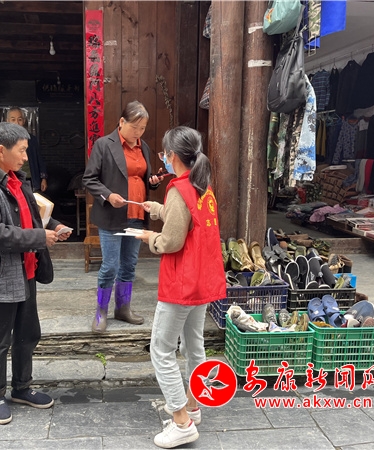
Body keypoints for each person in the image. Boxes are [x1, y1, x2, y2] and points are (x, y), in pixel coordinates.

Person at [0, 122, 72, 425]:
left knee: (27, 334)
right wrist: (39, 238)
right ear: (1, 151)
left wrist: (53, 226)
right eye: (22, 151)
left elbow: (33, 215)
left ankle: (22, 387)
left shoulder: (17, 179)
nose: (26, 157)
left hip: (26, 271)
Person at [136, 126, 226, 449]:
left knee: (161, 350)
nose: (163, 157)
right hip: (203, 281)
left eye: (164, 153)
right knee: (194, 346)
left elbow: (172, 240)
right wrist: (157, 208)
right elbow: (186, 219)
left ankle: (181, 422)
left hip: (182, 283)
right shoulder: (202, 186)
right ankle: (193, 404)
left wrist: (150, 238)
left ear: (172, 156)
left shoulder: (178, 189)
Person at [82, 100, 163, 333]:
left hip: (136, 214)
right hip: (112, 216)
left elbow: (141, 178)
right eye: (134, 127)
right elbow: (89, 179)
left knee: (129, 265)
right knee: (110, 266)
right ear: (121, 122)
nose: (138, 132)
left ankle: (123, 308)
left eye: (142, 128)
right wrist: (108, 195)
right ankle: (101, 311)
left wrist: (153, 182)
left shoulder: (143, 147)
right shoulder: (104, 145)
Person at [5, 107, 49, 193]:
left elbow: (39, 159)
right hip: (12, 180)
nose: (16, 123)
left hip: (30, 179)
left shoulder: (31, 139)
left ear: (24, 121)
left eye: (19, 119)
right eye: (13, 119)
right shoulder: (3, 141)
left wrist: (43, 178)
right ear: (7, 121)